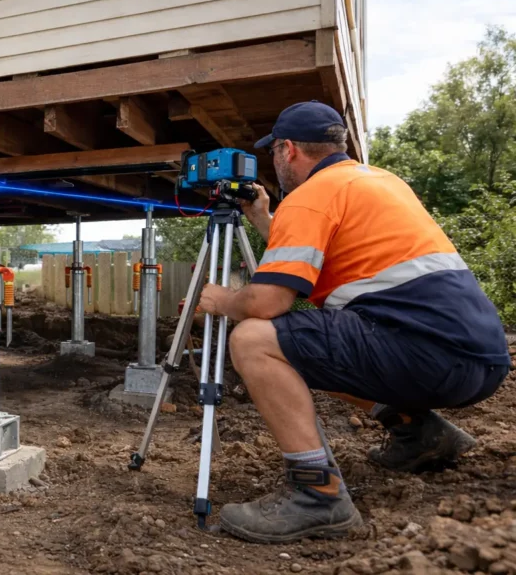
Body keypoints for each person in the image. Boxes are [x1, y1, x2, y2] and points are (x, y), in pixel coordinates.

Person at [198, 100, 510, 544]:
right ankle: (418, 432)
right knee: (312, 345)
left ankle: (317, 495)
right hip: (479, 361)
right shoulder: (376, 180)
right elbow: (317, 259)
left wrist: (225, 301)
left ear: (288, 150)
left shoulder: (311, 197)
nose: (273, 162)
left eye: (272, 153)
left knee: (253, 339)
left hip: (427, 356)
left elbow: (266, 302)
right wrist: (265, 220)